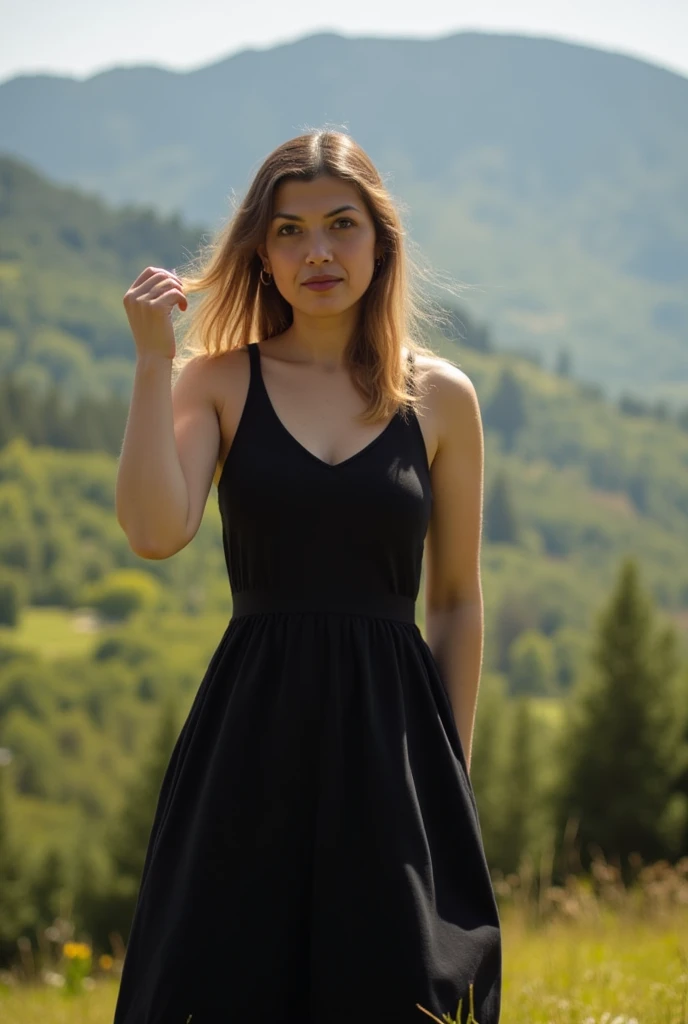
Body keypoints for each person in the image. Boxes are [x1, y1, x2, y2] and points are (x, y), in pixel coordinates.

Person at [113, 130, 502, 1024]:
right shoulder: (213, 379)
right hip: (250, 730)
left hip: (396, 738)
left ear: (381, 240)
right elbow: (154, 530)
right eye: (289, 231)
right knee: (221, 982)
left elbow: (453, 602)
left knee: (403, 988)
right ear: (261, 250)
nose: (317, 252)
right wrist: (148, 361)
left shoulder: (442, 398)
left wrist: (452, 779)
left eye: (341, 225)